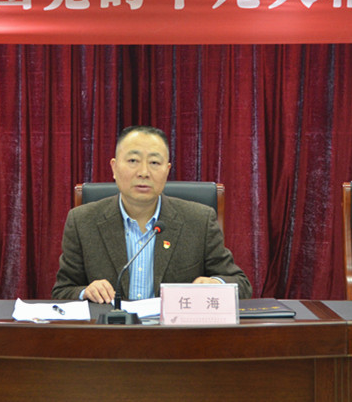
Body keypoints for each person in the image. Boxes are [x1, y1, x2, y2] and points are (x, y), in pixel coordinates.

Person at [52, 125, 251, 302]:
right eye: (133, 160)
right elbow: (62, 290)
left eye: (154, 163)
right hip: (111, 330)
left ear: (167, 170)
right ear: (114, 167)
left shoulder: (199, 220)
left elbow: (241, 285)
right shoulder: (82, 221)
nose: (144, 172)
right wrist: (85, 292)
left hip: (174, 331)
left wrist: (215, 284)